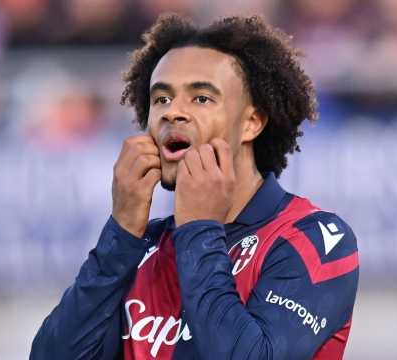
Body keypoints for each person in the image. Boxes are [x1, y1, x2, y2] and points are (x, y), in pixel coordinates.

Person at [30, 14, 359, 360]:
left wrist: (199, 228)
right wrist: (120, 235)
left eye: (201, 98)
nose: (173, 113)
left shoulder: (315, 239)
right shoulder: (139, 249)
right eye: (161, 99)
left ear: (252, 123)